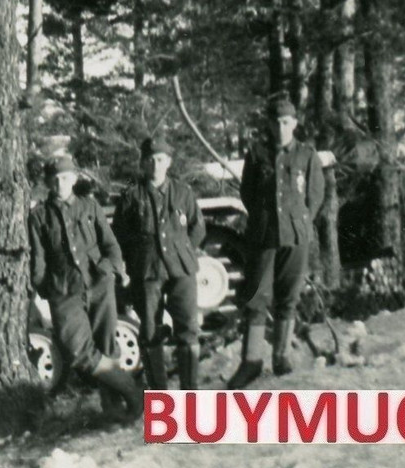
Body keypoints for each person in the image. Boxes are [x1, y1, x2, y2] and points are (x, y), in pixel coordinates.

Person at [28, 154, 142, 421]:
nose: (60, 184)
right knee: (77, 351)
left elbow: (111, 244)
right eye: (54, 179)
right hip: (63, 289)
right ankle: (132, 390)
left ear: (75, 178)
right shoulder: (39, 216)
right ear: (47, 183)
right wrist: (48, 289)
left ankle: (113, 409)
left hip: (99, 282)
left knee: (106, 344)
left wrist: (111, 269)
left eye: (65, 178)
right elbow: (39, 260)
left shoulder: (89, 207)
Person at [227, 98, 325, 389]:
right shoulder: (257, 155)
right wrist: (264, 219)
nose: (281, 128)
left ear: (294, 124)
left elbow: (314, 197)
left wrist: (299, 221)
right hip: (264, 238)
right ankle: (252, 361)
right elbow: (248, 193)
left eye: (286, 122)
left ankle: (282, 357)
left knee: (289, 297)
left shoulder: (308, 156)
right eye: (276, 122)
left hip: (295, 237)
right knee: (257, 297)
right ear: (269, 124)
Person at [112, 136, 206, 390]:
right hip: (147, 271)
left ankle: (190, 393)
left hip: (181, 270)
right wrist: (134, 263)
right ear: (143, 164)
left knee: (188, 329)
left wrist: (182, 251)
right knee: (151, 331)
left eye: (161, 159)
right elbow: (119, 235)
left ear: (169, 162)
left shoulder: (183, 193)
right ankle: (161, 397)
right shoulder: (131, 196)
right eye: (150, 160)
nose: (156, 165)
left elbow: (197, 228)